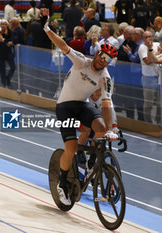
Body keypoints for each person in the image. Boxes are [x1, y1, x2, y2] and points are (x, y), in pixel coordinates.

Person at [41, 8, 118, 205]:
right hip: (65, 106)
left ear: (109, 61)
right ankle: (62, 181)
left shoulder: (105, 77)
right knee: (71, 146)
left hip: (82, 105)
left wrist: (111, 129)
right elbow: (63, 46)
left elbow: (107, 104)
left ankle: (90, 162)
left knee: (100, 129)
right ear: (98, 53)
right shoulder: (82, 62)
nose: (103, 60)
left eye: (107, 59)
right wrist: (47, 28)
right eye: (102, 55)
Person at [138, 31, 161, 124]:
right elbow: (148, 61)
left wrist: (155, 54)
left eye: (150, 36)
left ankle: (159, 121)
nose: (148, 39)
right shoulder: (142, 48)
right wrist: (157, 52)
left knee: (160, 102)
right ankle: (148, 122)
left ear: (153, 37)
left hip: (159, 77)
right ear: (143, 39)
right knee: (149, 103)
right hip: (148, 78)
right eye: (146, 37)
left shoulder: (157, 44)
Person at [0, 19, 15, 88]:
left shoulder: (10, 32)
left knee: (13, 67)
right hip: (0, 53)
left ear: (7, 25)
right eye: (2, 24)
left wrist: (5, 41)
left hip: (8, 52)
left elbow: (12, 41)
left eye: (5, 24)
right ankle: (4, 82)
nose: (3, 26)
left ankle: (8, 79)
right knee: (2, 68)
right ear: (0, 25)